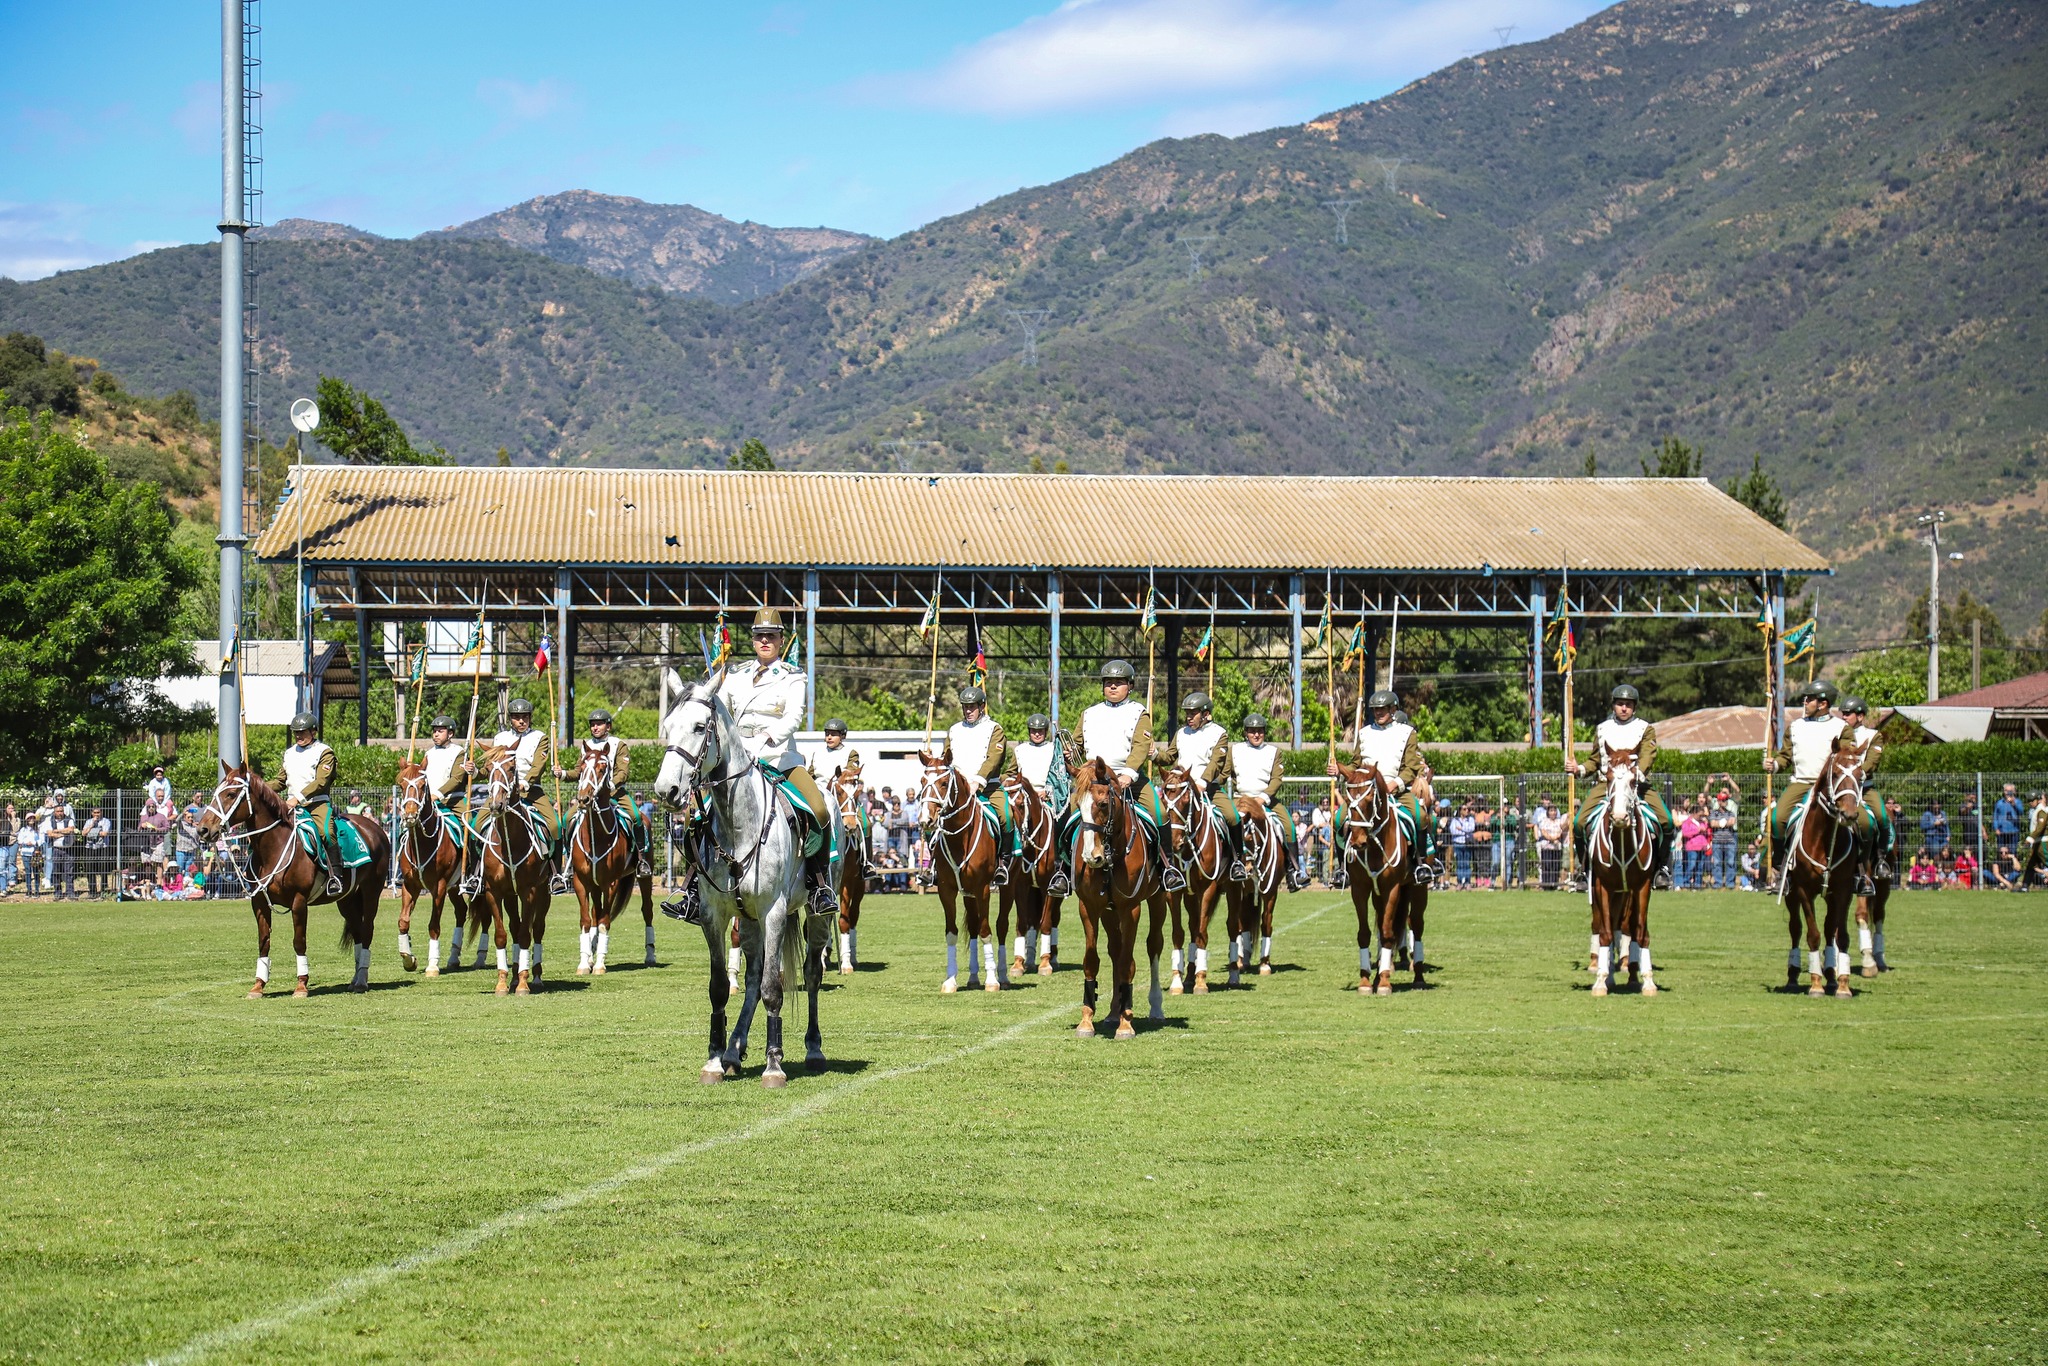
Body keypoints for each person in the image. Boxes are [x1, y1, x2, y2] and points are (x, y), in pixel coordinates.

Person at [714, 606, 837, 913]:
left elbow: (794, 716)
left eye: (771, 635)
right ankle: (692, 888)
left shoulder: (793, 676)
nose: (765, 641)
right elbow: (721, 710)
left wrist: (767, 738)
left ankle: (818, 885)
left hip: (779, 757)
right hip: (737, 760)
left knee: (819, 810)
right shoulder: (736, 675)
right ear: (753, 640)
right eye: (760, 636)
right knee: (697, 812)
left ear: (781, 640)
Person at [1050, 659, 1180, 895]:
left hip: (1128, 778)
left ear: (1130, 686)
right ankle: (1062, 870)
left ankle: (1167, 868)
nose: (1112, 686)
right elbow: (1078, 743)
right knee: (1066, 816)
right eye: (1108, 682)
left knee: (1160, 812)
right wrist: (1072, 751)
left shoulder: (1139, 713)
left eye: (1118, 682)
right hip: (1093, 781)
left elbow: (1141, 747)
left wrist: (1129, 773)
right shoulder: (1089, 713)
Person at [1567, 683, 1673, 890]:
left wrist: (1635, 775)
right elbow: (1595, 760)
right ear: (1613, 705)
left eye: (1628, 704)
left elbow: (1648, 756)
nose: (1624, 708)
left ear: (1635, 707)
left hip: (1637, 783)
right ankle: (1584, 871)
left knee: (1667, 821)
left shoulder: (1645, 728)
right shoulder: (1602, 729)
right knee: (1579, 823)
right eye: (1620, 704)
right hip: (1607, 784)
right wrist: (1578, 768)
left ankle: (1661, 869)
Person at [1327, 690, 1435, 885]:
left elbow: (1412, 767)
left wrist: (1394, 784)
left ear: (1393, 709)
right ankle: (1342, 869)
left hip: (1396, 790)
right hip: (1366, 791)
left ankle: (1420, 865)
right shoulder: (1364, 733)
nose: (1378, 712)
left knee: (1420, 816)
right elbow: (1355, 764)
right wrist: (1340, 770)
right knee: (1338, 819)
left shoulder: (1407, 733)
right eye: (1375, 709)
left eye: (1382, 709)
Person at [1763, 680, 1850, 893]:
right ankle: (1781, 868)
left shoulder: (1842, 728)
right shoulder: (1795, 727)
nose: (1805, 702)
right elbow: (1785, 757)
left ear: (1823, 703)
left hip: (1831, 786)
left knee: (1861, 821)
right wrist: (1774, 764)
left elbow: (1848, 757)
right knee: (1777, 819)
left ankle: (1860, 871)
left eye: (1809, 699)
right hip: (1801, 783)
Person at [561, 708, 654, 876]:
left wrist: (610, 784)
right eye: (593, 725)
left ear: (608, 726)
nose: (595, 727)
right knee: (567, 818)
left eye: (599, 724)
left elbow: (623, 772)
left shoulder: (619, 745)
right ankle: (570, 858)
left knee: (636, 816)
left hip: (614, 792)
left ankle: (642, 859)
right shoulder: (586, 747)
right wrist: (562, 774)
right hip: (590, 796)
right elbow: (578, 772)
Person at [1229, 711, 1310, 892]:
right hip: (1240, 799)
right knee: (1223, 822)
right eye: (1252, 731)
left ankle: (1293, 871)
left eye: (1260, 731)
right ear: (1245, 732)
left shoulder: (1274, 752)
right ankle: (1225, 867)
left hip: (1266, 800)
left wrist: (1262, 798)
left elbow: (1276, 780)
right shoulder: (1234, 750)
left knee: (1288, 825)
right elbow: (1225, 773)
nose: (1256, 734)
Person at [1170, 692, 1244, 881]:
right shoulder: (1181, 733)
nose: (1188, 717)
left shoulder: (1219, 734)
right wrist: (1154, 754)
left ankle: (1237, 861)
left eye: (1193, 713)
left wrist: (1203, 781)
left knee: (1233, 816)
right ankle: (1163, 865)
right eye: (1187, 713)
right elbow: (1169, 756)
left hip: (1208, 789)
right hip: (1182, 790)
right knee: (1163, 816)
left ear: (1206, 714)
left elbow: (1216, 762)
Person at [945, 684, 1013, 884]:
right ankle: (933, 865)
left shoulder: (995, 729)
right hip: (958, 791)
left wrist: (978, 781)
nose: (968, 711)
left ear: (982, 706)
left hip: (988, 787)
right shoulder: (954, 730)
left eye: (972, 707)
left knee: (1007, 816)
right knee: (935, 816)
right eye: (965, 707)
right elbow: (947, 758)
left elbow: (993, 759)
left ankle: (1003, 863)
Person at [279, 713, 344, 895]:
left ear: (313, 731)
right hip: (291, 805)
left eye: (302, 732)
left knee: (326, 832)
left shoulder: (324, 752)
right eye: (296, 732)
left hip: (316, 804)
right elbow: (280, 781)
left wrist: (297, 798)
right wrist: (256, 786)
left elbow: (321, 782)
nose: (298, 736)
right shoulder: (289, 753)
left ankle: (336, 877)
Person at [1838, 697, 1893, 894]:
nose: (1843, 717)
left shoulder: (1873, 736)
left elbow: (1872, 762)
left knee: (1882, 817)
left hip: (1864, 788)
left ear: (1860, 716)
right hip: (1841, 789)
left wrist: (1855, 773)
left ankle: (1880, 860)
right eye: (1842, 713)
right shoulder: (1837, 734)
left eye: (1847, 714)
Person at [42, 790, 77, 901]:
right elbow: (49, 834)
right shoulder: (49, 820)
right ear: (54, 812)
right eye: (57, 811)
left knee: (69, 872)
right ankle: (58, 893)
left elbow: (70, 830)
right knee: (56, 872)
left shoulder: (69, 820)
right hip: (56, 849)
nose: (60, 813)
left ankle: (70, 893)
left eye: (61, 811)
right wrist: (63, 832)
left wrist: (57, 831)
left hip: (68, 849)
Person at [1707, 779, 1740, 889]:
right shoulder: (1714, 811)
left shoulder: (1731, 810)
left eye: (1726, 799)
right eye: (1722, 799)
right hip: (1717, 840)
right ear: (1719, 801)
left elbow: (1732, 821)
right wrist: (1724, 823)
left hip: (1730, 838)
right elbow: (1712, 823)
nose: (1725, 802)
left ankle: (1730, 883)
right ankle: (1718, 883)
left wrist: (1720, 823)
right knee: (1717, 862)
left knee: (1730, 861)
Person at [82, 806, 111, 897]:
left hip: (102, 847)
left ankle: (103, 890)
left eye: (98, 812)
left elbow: (105, 833)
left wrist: (90, 832)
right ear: (92, 813)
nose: (96, 814)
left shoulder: (106, 821)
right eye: (95, 813)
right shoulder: (88, 822)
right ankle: (92, 891)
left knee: (103, 869)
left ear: (101, 813)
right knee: (90, 869)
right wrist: (91, 826)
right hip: (90, 847)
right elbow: (83, 833)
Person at [1679, 802, 1710, 890]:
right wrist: (1697, 830)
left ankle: (1698, 884)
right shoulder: (1687, 822)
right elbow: (1685, 833)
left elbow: (1707, 832)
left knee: (1700, 866)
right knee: (1691, 865)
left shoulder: (1702, 822)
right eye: (1699, 815)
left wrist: (1705, 828)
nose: (1701, 817)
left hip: (1702, 847)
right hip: (1692, 847)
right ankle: (1686, 883)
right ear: (1694, 813)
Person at [15, 809, 43, 897]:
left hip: (35, 853)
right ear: (26, 820)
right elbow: (19, 840)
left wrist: (34, 843)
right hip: (25, 852)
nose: (31, 819)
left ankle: (37, 890)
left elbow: (41, 840)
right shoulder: (23, 830)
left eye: (33, 818)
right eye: (29, 818)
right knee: (28, 872)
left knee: (36, 872)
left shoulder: (37, 830)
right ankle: (29, 890)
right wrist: (26, 842)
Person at [0, 800, 18, 896]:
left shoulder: (7, 821)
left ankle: (3, 888)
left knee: (3, 867)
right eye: (9, 808)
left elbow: (14, 831)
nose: (11, 810)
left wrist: (13, 818)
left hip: (4, 845)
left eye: (12, 808)